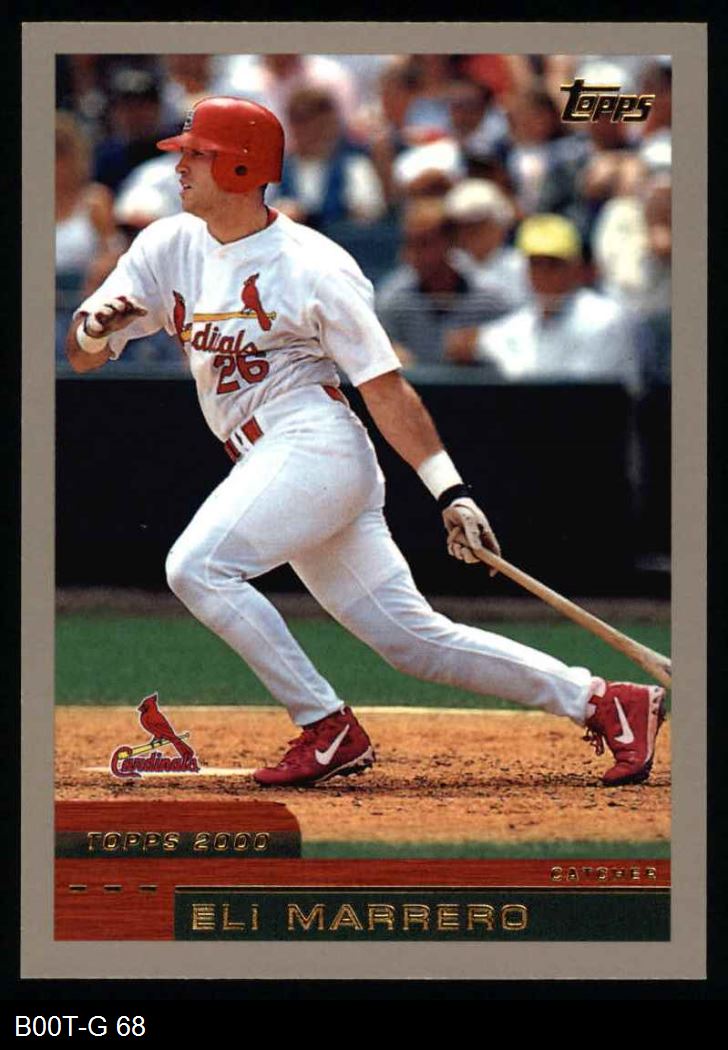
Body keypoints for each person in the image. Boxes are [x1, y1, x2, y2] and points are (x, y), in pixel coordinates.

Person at [65, 96, 666, 789]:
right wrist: (93, 329)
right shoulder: (167, 244)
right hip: (269, 456)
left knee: (196, 567)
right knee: (411, 640)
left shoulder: (315, 265)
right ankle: (606, 702)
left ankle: (326, 725)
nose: (181, 167)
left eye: (198, 154)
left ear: (241, 166)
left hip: (313, 442)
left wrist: (450, 490)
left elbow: (385, 388)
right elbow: (82, 354)